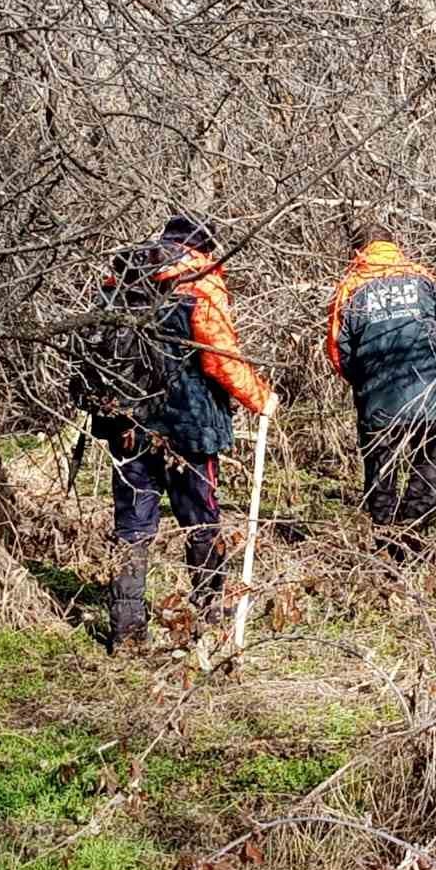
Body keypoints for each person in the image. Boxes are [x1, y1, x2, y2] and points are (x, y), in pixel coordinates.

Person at [91, 214, 276, 652]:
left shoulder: (121, 279)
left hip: (127, 424)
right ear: (204, 247)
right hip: (188, 426)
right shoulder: (199, 281)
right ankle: (210, 617)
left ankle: (127, 633)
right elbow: (219, 357)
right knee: (201, 519)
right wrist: (261, 399)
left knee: (133, 527)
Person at [326, 220, 436, 542]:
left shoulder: (350, 287)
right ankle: (413, 534)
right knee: (428, 465)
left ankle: (386, 540)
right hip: (430, 394)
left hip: (378, 400)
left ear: (358, 251)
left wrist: (364, 384)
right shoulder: (425, 279)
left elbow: (338, 353)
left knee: (381, 473)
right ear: (393, 245)